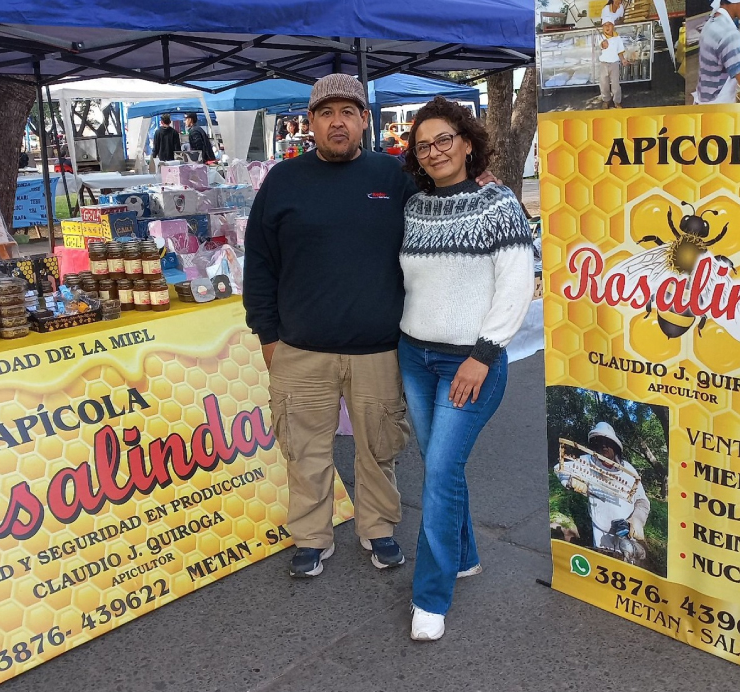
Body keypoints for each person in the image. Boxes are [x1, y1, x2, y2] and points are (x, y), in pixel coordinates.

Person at [244, 74, 419, 580]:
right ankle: (311, 538)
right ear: (311, 122)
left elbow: (436, 226)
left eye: (347, 112)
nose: (336, 122)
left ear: (365, 119)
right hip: (301, 349)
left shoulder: (394, 177)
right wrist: (267, 335)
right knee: (305, 452)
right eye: (326, 113)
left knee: (379, 449)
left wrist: (480, 182)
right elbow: (260, 263)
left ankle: (378, 528)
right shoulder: (284, 180)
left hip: (378, 349)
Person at [398, 96, 534, 641]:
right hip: (414, 356)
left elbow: (516, 286)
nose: (434, 152)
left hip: (470, 361)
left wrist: (483, 355)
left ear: (467, 142)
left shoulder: (497, 204)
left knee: (439, 470)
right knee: (441, 466)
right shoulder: (414, 208)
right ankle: (465, 555)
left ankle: (430, 598)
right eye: (422, 146)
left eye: (443, 140)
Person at [559, 423, 650, 553]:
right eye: (599, 442)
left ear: (615, 446)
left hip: (626, 533)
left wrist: (635, 522)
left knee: (628, 561)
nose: (603, 446)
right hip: (601, 530)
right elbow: (560, 468)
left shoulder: (629, 471)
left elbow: (642, 501)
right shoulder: (586, 462)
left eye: (608, 442)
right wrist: (571, 481)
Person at [598, 22, 632, 109]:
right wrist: (603, 44)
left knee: (615, 85)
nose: (607, 27)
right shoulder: (600, 37)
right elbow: (599, 45)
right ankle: (606, 100)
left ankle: (617, 101)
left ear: (613, 26)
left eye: (609, 24)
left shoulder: (617, 38)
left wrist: (623, 60)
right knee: (604, 84)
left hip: (614, 64)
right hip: (603, 64)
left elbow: (619, 51)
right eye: (605, 25)